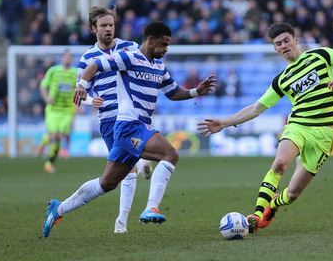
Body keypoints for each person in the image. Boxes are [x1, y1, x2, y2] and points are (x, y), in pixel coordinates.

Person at [42, 21, 217, 237]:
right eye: (163, 45)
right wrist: (81, 85)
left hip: (137, 127)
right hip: (128, 126)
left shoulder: (159, 67)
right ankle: (151, 207)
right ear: (150, 40)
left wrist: (195, 91)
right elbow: (95, 65)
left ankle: (58, 209)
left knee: (107, 183)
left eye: (168, 46)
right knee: (170, 154)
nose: (165, 50)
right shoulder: (130, 57)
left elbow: (172, 92)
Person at [197, 23, 333, 234]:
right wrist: (223, 122)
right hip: (298, 126)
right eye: (278, 44)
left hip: (325, 134)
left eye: (286, 40)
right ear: (275, 49)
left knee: (292, 195)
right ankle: (256, 215)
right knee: (280, 164)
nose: (283, 46)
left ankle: (273, 204)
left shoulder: (321, 54)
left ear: (295, 40)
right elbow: (256, 108)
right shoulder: (281, 80)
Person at [76, 5, 153, 234]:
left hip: (133, 114)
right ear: (93, 29)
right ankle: (142, 161)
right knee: (126, 171)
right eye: (103, 26)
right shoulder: (87, 57)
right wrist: (91, 101)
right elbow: (80, 92)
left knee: (128, 168)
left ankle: (121, 221)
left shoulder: (129, 47)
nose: (108, 29)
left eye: (111, 25)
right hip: (109, 119)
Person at [39, 50, 77, 173]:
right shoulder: (53, 71)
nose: (67, 59)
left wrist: (78, 104)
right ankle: (45, 140)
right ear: (61, 59)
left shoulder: (75, 73)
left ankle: (49, 163)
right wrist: (46, 98)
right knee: (52, 136)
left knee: (60, 136)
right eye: (65, 57)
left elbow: (79, 88)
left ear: (72, 59)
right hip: (53, 110)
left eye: (69, 57)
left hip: (67, 110)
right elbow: (43, 85)